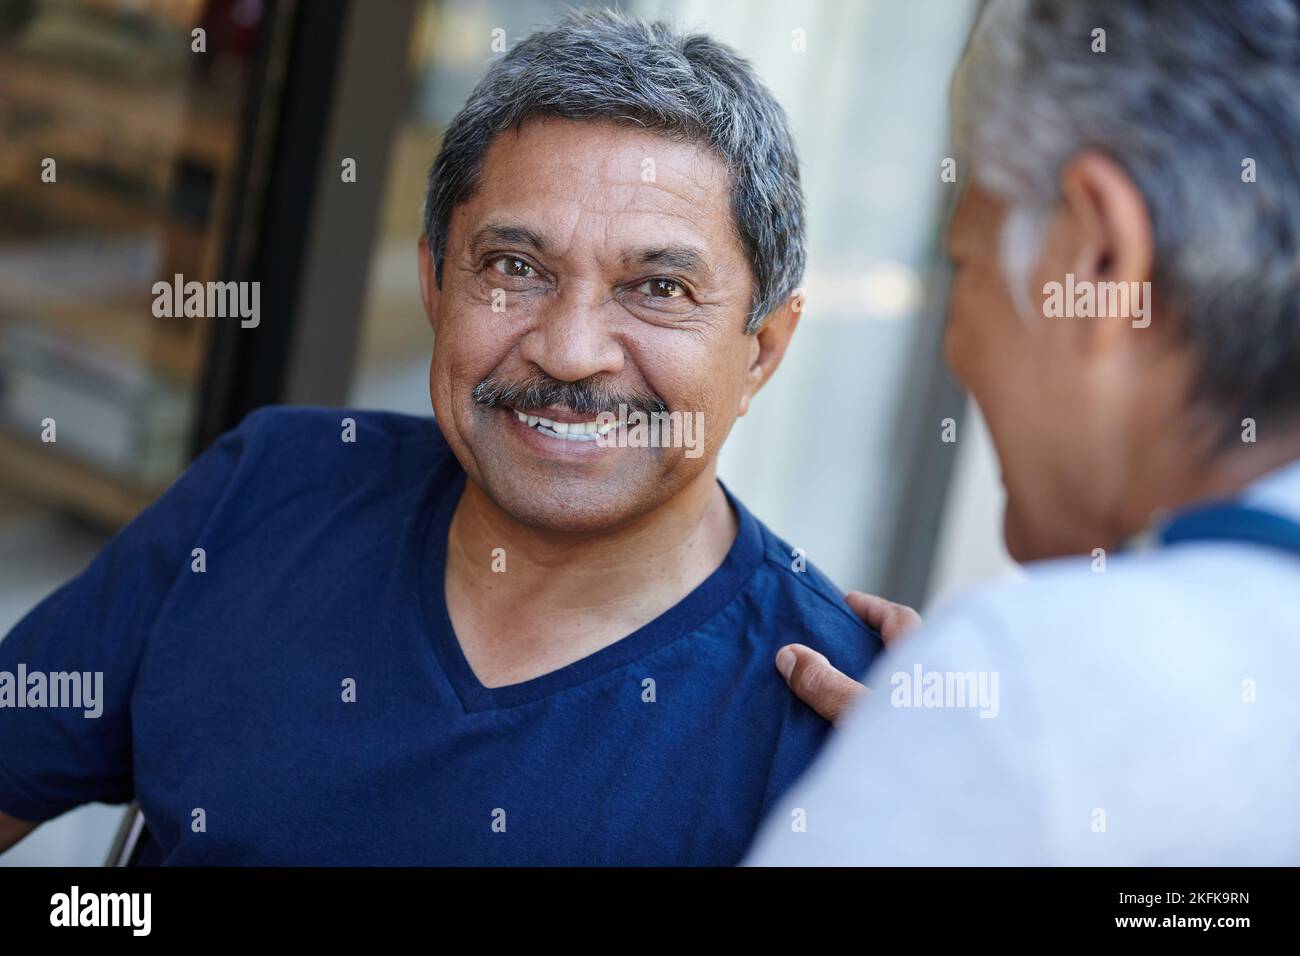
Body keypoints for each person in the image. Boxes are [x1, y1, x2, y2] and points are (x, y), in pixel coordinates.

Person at [0, 10, 881, 865]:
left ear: (762, 349)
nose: (570, 352)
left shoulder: (846, 727)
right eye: (515, 269)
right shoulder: (272, 487)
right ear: (433, 282)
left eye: (658, 287)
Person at [751, 0, 1300, 865]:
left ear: (1097, 260)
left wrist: (980, 757)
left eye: (963, 264)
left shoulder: (1031, 697)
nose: (952, 344)